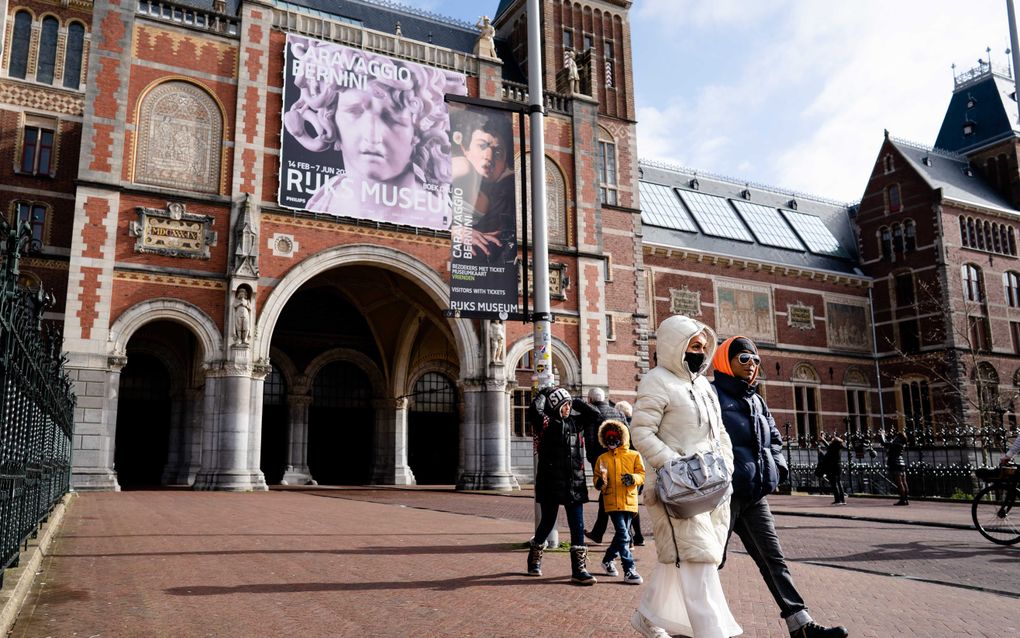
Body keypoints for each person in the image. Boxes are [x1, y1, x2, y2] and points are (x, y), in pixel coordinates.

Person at [711, 336, 849, 638]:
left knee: (773, 559)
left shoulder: (756, 399)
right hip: (724, 495)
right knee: (711, 561)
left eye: (756, 360)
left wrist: (778, 467)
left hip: (755, 494)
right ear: (725, 361)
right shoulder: (711, 395)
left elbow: (774, 438)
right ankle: (687, 620)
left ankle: (801, 624)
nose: (751, 366)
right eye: (744, 359)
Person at [629, 315, 741, 638]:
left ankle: (648, 616)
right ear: (675, 345)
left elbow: (719, 431)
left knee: (684, 556)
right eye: (694, 345)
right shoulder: (657, 380)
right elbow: (641, 431)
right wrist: (674, 465)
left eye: (704, 347)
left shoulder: (705, 385)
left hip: (710, 487)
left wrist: (727, 465)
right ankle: (713, 633)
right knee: (699, 562)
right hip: (676, 488)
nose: (700, 352)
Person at [287, 41, 461, 230]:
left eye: (392, 117)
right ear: (330, 118)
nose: (372, 135)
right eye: (354, 111)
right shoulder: (319, 203)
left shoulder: (438, 216)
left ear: (419, 131)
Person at [525, 387, 600, 585]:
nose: (567, 408)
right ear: (556, 406)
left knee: (578, 525)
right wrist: (543, 395)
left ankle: (579, 569)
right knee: (547, 523)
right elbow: (534, 412)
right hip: (551, 482)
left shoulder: (576, 423)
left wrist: (573, 399)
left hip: (574, 483)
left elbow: (595, 414)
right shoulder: (546, 424)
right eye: (564, 405)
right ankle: (534, 558)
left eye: (568, 405)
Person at [449, 108, 517, 265]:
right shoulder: (463, 167)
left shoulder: (495, 194)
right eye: (481, 146)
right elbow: (415, 194)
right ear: (465, 149)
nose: (489, 157)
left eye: (498, 152)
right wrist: (453, 231)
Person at [593, 419, 645, 584]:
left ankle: (608, 560)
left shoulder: (634, 455)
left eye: (614, 437)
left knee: (623, 535)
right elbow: (596, 480)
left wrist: (633, 478)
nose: (611, 441)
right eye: (607, 438)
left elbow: (642, 475)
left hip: (629, 501)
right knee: (624, 534)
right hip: (611, 501)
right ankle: (629, 569)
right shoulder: (602, 458)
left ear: (622, 438)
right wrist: (599, 483)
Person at [580, 387, 625, 545]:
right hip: (619, 459)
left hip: (602, 461)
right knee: (610, 494)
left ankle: (626, 537)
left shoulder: (592, 413)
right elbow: (627, 436)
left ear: (590, 400)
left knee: (607, 494)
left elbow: (591, 440)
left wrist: (593, 460)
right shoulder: (618, 413)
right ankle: (602, 533)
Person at [614, 400, 645, 547]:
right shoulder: (638, 426)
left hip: (626, 471)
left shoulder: (622, 428)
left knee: (627, 506)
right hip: (638, 470)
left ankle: (630, 537)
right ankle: (637, 536)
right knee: (633, 504)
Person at [878, 430, 909, 505]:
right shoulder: (901, 443)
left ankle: (902, 499)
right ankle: (906, 499)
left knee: (899, 483)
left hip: (895, 463)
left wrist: (882, 435)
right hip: (901, 463)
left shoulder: (897, 443)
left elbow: (884, 443)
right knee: (904, 482)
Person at [818, 432, 847, 505]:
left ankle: (837, 500)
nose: (831, 441)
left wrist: (823, 439)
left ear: (834, 443)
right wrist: (823, 439)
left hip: (833, 467)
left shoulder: (833, 448)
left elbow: (828, 446)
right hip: (839, 467)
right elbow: (829, 446)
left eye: (832, 440)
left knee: (834, 484)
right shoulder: (838, 448)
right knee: (839, 483)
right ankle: (842, 500)